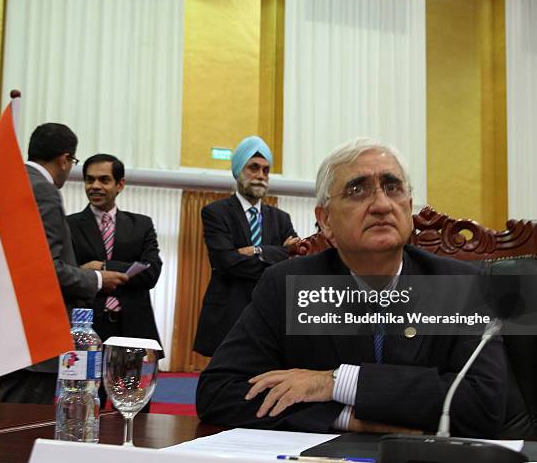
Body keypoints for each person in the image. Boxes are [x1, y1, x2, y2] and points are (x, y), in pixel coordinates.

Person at [196, 138, 527, 437]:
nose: (382, 204)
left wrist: (337, 382)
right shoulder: (287, 285)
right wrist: (345, 416)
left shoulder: (462, 286)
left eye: (393, 187)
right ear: (325, 220)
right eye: (358, 190)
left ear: (409, 208)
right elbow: (219, 391)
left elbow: (484, 404)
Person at [0, 124, 127, 404]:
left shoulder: (7, 182)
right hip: (34, 333)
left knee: (4, 420)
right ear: (64, 159)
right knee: (22, 426)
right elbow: (45, 270)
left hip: (5, 328)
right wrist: (96, 279)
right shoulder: (43, 190)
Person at [193, 136, 300, 357]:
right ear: (239, 170)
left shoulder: (281, 218)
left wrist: (257, 250)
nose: (261, 176)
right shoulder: (216, 212)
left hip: (270, 311)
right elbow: (225, 262)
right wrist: (278, 254)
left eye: (265, 170)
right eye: (253, 168)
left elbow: (294, 260)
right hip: (228, 312)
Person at [67, 154, 163, 349]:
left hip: (132, 327)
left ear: (120, 185)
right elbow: (66, 275)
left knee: (126, 382)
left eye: (104, 180)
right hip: (85, 328)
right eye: (89, 179)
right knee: (86, 381)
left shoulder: (141, 225)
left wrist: (101, 267)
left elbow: (151, 273)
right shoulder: (68, 225)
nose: (95, 186)